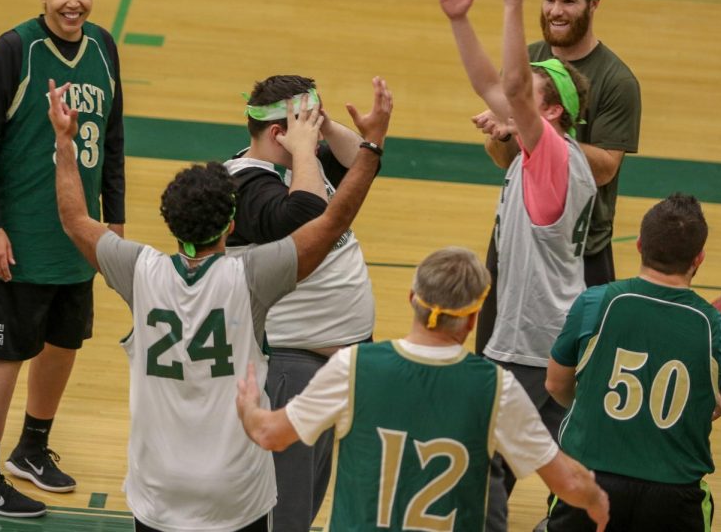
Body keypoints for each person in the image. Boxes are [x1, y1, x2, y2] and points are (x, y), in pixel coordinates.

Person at [52, 73, 392, 530]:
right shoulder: (248, 279)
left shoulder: (140, 271)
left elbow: (75, 218)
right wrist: (368, 147)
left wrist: (64, 144)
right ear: (231, 224)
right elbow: (320, 221)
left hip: (159, 489)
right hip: (236, 489)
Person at [236, 246, 609, 532]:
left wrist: (249, 405)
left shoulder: (354, 366)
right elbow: (569, 482)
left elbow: (269, 434)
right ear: (472, 319)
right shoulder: (497, 387)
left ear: (412, 299)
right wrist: (597, 502)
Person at [0, 0, 124, 517]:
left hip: (77, 235)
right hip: (18, 235)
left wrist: (115, 221)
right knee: (4, 352)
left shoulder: (103, 47)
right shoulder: (14, 50)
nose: (71, 3)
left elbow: (113, 139)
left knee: (63, 342)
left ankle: (31, 448)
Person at [433, 0, 598, 529]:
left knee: (486, 471)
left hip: (532, 346)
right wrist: (459, 21)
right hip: (535, 338)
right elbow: (489, 81)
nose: (511, 96)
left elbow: (508, 84)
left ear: (550, 111)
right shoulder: (543, 154)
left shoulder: (551, 154)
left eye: (527, 92)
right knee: (527, 465)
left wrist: (512, 3)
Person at [224, 74, 377, 530]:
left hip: (330, 367)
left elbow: (360, 165)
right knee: (285, 513)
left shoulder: (298, 168)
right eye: (306, 122)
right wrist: (306, 150)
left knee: (308, 498)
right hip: (292, 367)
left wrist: (325, 126)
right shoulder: (246, 184)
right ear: (279, 134)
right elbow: (303, 218)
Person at [474, 0, 642, 356]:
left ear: (594, 4)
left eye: (569, 1)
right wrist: (502, 135)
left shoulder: (616, 80)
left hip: (583, 249)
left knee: (579, 368)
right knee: (495, 360)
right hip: (517, 241)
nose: (555, 11)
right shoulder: (527, 58)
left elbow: (605, 168)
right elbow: (502, 157)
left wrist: (539, 134)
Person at [545, 194, 721, 531]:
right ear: (699, 258)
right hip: (674, 496)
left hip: (590, 482)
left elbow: (555, 384)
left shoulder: (595, 303)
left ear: (639, 245)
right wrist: (716, 402)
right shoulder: (718, 329)